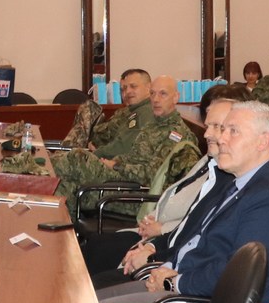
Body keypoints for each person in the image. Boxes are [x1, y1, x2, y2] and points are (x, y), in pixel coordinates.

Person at [99, 102, 269, 303]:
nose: (221, 139)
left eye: (233, 131)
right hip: (189, 294)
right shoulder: (238, 183)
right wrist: (167, 268)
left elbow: (237, 275)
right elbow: (197, 240)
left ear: (262, 141)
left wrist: (175, 282)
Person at [80, 93, 236, 277]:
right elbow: (176, 192)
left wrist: (159, 231)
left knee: (97, 257)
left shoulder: (227, 175)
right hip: (156, 231)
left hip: (168, 245)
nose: (207, 133)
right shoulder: (208, 161)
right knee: (92, 248)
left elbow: (198, 225)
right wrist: (152, 220)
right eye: (208, 125)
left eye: (217, 127)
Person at [54, 76, 197, 217]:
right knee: (65, 184)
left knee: (77, 157)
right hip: (124, 179)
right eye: (152, 93)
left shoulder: (178, 134)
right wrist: (115, 161)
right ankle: (62, 235)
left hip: (140, 195)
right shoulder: (154, 124)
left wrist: (116, 165)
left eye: (163, 94)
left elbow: (152, 175)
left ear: (175, 97)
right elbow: (134, 156)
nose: (156, 99)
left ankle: (38, 174)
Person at [60, 67, 150, 151]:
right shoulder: (125, 111)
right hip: (93, 149)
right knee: (89, 106)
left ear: (149, 87)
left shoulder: (147, 112)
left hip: (105, 158)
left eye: (133, 86)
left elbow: (123, 145)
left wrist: (99, 151)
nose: (127, 92)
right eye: (123, 89)